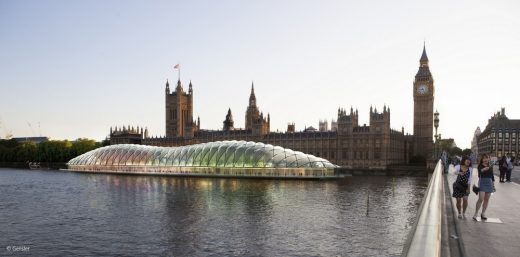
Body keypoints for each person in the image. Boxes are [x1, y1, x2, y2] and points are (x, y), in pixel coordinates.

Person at [473, 154, 494, 221]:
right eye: (484, 158)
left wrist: (493, 184)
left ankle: (483, 213)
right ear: (482, 159)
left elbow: (492, 175)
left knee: (486, 200)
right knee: (481, 199)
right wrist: (484, 169)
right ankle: (476, 213)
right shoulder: (480, 165)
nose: (486, 159)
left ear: (488, 159)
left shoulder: (490, 166)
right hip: (482, 182)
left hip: (489, 183)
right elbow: (479, 173)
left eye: (487, 158)